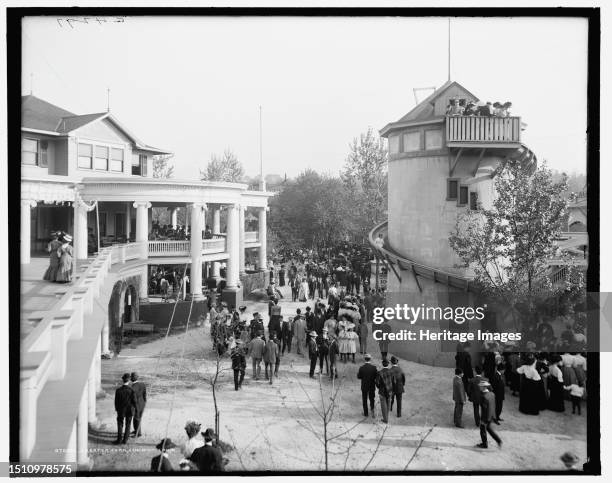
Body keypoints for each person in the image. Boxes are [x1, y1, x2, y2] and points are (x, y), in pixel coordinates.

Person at [476, 381, 502, 449]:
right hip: (491, 415)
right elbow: (493, 406)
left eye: (480, 386)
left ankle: (484, 444)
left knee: (482, 429)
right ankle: (498, 440)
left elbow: (484, 409)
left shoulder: (483, 396)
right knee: (489, 429)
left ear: (484, 387)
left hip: (486, 417)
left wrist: (483, 420)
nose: (479, 387)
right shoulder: (492, 394)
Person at [114, 373, 137, 444]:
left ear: (122, 380)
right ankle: (125, 440)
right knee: (128, 424)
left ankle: (119, 440)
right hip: (129, 410)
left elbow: (116, 402)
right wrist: (135, 409)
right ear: (129, 380)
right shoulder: (132, 390)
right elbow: (134, 401)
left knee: (120, 424)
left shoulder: (118, 390)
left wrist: (117, 409)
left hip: (121, 410)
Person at [375, 359, 395, 424]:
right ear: (388, 364)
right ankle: (387, 417)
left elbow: (377, 383)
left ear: (382, 364)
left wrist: (379, 387)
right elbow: (394, 382)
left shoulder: (379, 372)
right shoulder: (391, 372)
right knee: (388, 403)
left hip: (382, 391)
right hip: (390, 390)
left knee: (383, 405)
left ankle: (385, 419)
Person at [130, 372, 147, 438]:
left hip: (136, 405)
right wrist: (144, 402)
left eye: (131, 377)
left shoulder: (132, 387)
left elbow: (132, 398)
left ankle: (138, 433)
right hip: (142, 403)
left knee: (136, 418)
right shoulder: (142, 384)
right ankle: (136, 430)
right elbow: (144, 394)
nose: (130, 378)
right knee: (138, 418)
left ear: (134, 378)